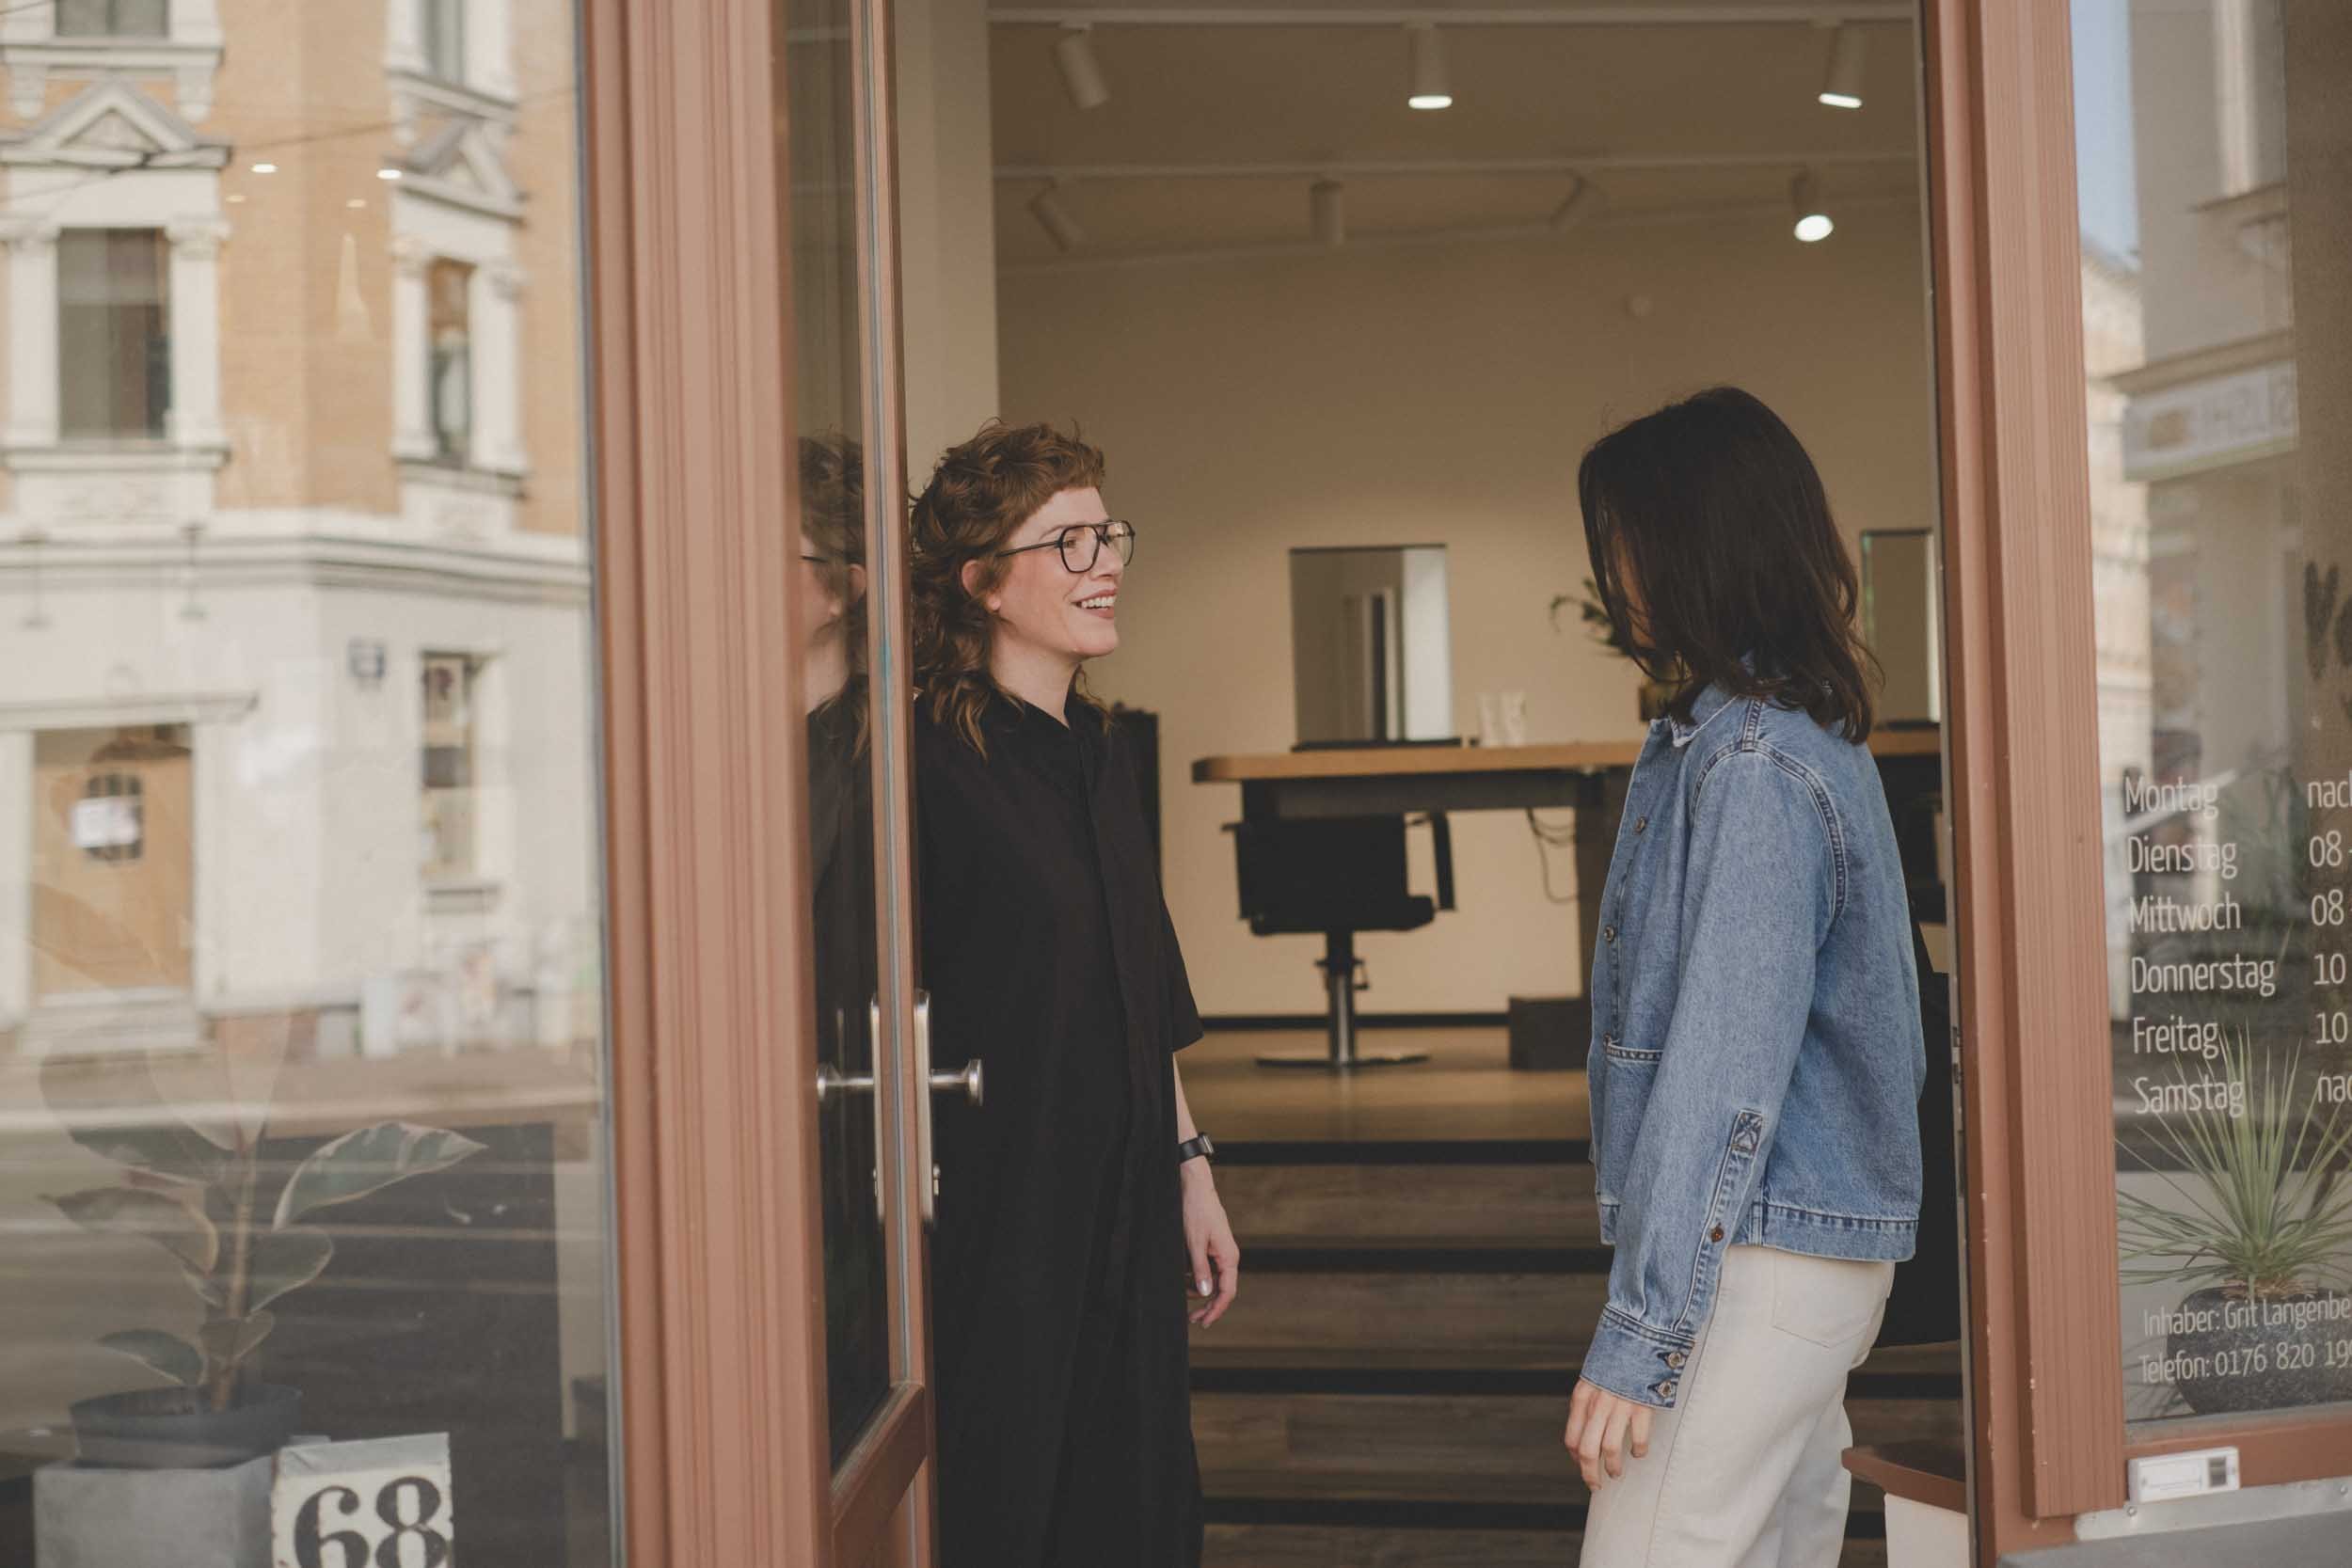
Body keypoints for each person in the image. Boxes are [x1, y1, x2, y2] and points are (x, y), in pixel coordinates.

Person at [1562, 388, 1926, 1566]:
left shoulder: (1757, 761)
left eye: (1627, 539)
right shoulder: (1782, 731)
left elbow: (1723, 1073)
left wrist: (1643, 1326)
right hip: (1797, 1253)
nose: (1617, 573)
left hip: (1758, 1260)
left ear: (1696, 543)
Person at [909, 420, 1238, 1568]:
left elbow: (1142, 979)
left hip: (1127, 1196)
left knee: (1137, 1501)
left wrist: (1191, 1166)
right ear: (982, 583)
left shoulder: (1099, 748)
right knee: (1014, 1501)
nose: (1105, 562)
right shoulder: (923, 761)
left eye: (1108, 535)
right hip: (1004, 1212)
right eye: (1067, 542)